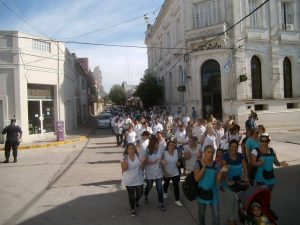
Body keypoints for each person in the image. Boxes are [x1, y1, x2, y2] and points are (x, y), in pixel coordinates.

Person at [194, 145, 228, 225]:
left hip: (213, 192)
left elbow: (217, 181)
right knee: (202, 212)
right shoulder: (198, 163)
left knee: (216, 214)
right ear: (204, 153)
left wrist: (221, 172)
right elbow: (197, 178)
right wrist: (204, 167)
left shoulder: (216, 164)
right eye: (208, 152)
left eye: (212, 153)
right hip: (201, 192)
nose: (210, 154)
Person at [221, 140, 249, 225]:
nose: (234, 148)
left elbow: (245, 168)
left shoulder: (241, 156)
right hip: (228, 183)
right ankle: (231, 220)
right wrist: (228, 181)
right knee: (231, 202)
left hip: (239, 182)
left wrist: (245, 176)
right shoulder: (225, 156)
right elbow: (224, 171)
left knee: (241, 201)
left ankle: (239, 217)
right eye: (232, 147)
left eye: (236, 147)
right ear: (229, 147)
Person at [121, 143, 146, 216]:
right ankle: (133, 209)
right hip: (128, 179)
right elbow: (124, 169)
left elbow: (142, 167)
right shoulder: (124, 157)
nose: (132, 150)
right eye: (130, 149)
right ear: (127, 150)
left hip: (138, 178)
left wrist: (143, 161)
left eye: (133, 148)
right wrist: (125, 162)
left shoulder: (138, 155)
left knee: (140, 193)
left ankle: (136, 200)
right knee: (131, 195)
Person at [143, 135, 166, 211]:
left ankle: (161, 203)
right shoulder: (148, 150)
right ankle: (145, 195)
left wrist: (162, 162)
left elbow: (160, 159)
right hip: (149, 173)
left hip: (158, 172)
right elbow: (145, 161)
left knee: (159, 188)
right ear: (153, 143)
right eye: (156, 143)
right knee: (149, 186)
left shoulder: (159, 150)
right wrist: (153, 161)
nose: (158, 144)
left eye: (158, 143)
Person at [161, 140, 183, 206]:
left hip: (175, 172)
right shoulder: (164, 153)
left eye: (173, 145)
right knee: (166, 184)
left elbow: (179, 160)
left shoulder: (176, 152)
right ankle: (165, 191)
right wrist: (164, 172)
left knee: (176, 186)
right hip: (167, 172)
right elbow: (162, 164)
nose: (172, 146)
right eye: (170, 145)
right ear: (167, 146)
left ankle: (177, 200)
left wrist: (179, 163)